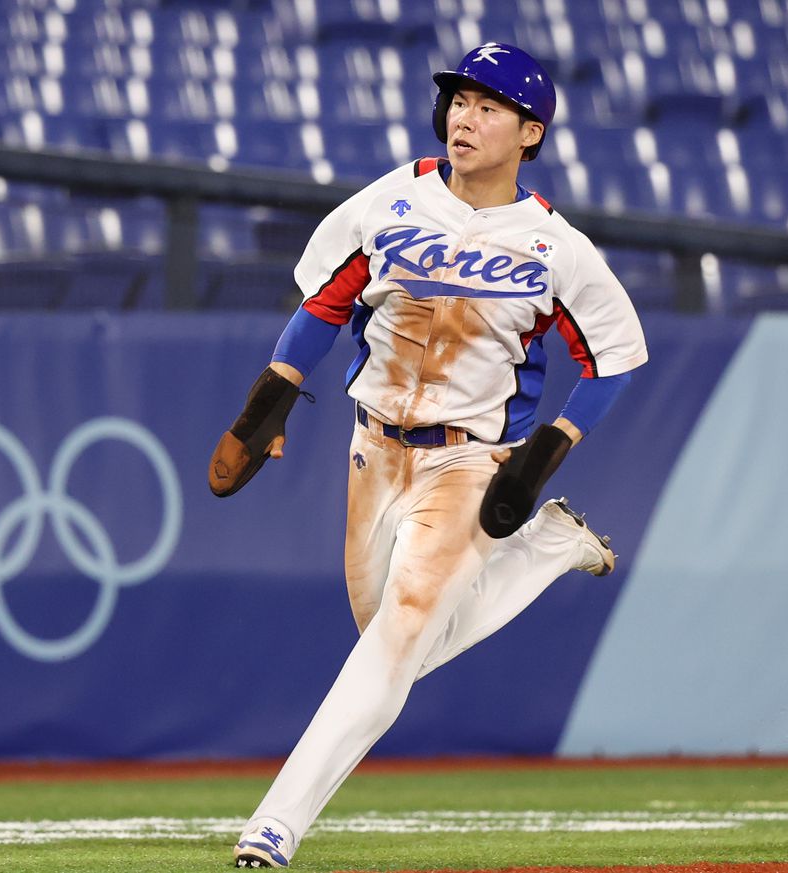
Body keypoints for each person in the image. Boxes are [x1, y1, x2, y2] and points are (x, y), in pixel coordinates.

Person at [210, 42, 648, 868]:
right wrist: (268, 402)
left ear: (531, 132)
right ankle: (549, 546)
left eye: (488, 106)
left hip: (470, 462)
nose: (465, 117)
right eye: (458, 101)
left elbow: (614, 358)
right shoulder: (390, 201)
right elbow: (325, 304)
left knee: (400, 635)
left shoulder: (554, 247)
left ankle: (274, 826)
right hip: (372, 450)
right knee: (388, 637)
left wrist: (547, 449)